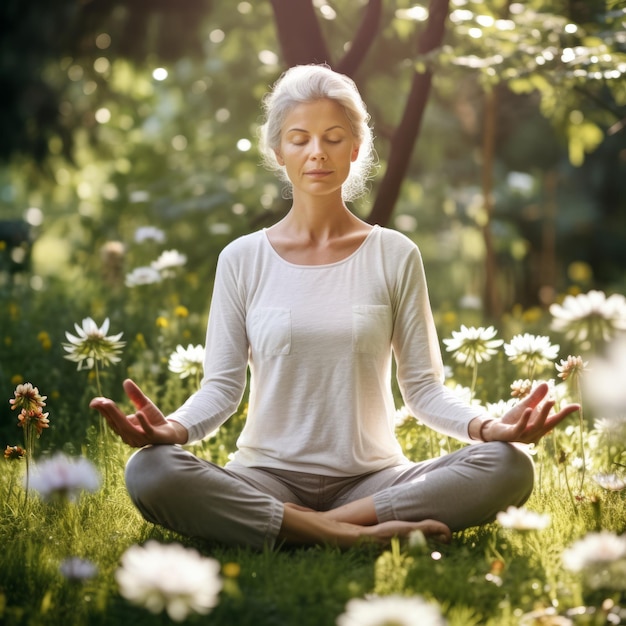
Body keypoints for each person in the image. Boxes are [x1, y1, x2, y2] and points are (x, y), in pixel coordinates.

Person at [90, 64, 579, 550]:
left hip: (373, 481)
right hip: (265, 478)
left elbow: (424, 390)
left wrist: (490, 427)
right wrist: (172, 428)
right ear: (278, 151)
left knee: (509, 464)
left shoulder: (394, 254)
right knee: (151, 469)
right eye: (299, 138)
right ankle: (343, 536)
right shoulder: (241, 259)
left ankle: (321, 525)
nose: (316, 153)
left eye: (333, 137)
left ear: (356, 147)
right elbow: (221, 389)